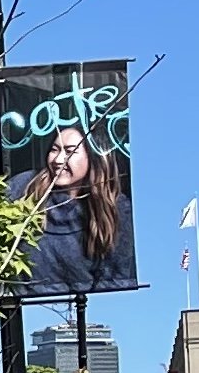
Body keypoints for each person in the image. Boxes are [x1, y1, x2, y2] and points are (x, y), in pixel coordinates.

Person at [22, 120, 126, 299]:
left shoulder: (117, 209)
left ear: (92, 157)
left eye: (70, 151)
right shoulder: (24, 188)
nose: (58, 160)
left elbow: (119, 276)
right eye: (54, 150)